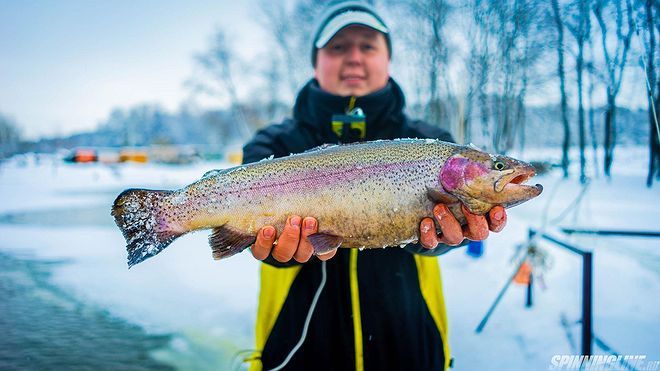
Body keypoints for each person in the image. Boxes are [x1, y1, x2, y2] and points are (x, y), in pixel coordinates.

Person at [241, 1, 507, 370]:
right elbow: (246, 229)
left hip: (412, 348)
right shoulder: (271, 147)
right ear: (315, 61)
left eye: (368, 46)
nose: (354, 58)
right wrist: (270, 248)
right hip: (295, 354)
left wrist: (441, 241)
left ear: (388, 59)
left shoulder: (432, 143)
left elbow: (444, 236)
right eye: (338, 47)